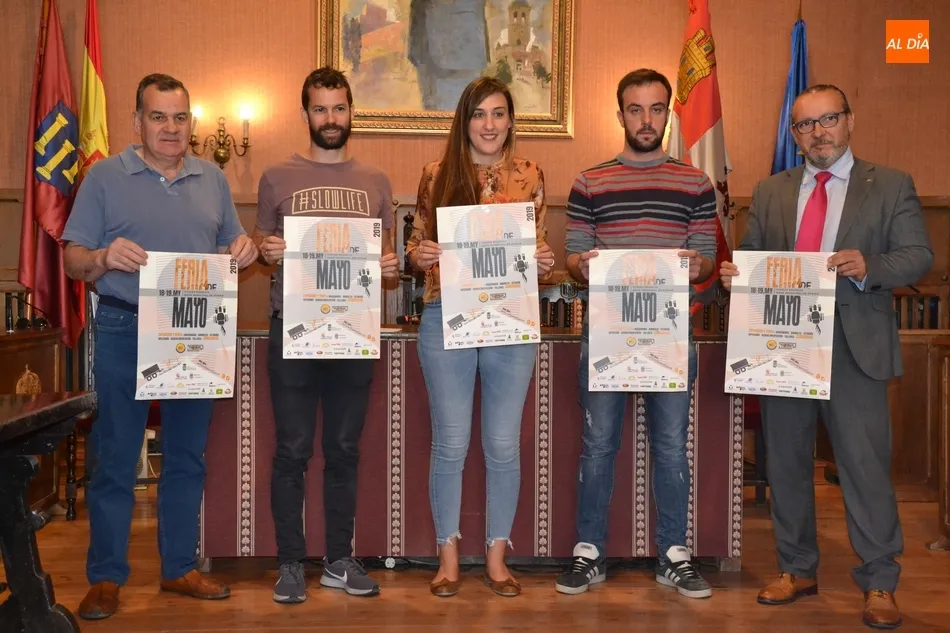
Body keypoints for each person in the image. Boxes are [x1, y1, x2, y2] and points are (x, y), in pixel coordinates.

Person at [719, 84, 932, 630]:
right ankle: (797, 568)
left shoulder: (889, 184)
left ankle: (880, 579)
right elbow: (756, 257)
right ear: (794, 134)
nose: (817, 132)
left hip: (854, 345)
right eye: (805, 124)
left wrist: (871, 265)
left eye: (827, 119)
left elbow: (918, 256)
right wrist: (735, 273)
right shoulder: (770, 190)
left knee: (863, 468)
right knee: (786, 462)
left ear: (849, 121)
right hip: (783, 345)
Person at [62, 73, 258, 620]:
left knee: (186, 458)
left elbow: (231, 244)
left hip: (196, 332)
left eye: (179, 118)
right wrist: (102, 258)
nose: (170, 129)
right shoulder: (103, 178)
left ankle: (178, 568)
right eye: (158, 117)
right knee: (116, 457)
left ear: (191, 123)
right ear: (137, 122)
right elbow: (72, 259)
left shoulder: (213, 178)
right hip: (126, 328)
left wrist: (243, 250)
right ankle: (105, 578)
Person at [555, 69, 717, 599]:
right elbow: (574, 257)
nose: (645, 120)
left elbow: (707, 259)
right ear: (619, 113)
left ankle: (674, 554)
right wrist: (585, 265)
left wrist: (693, 265)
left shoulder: (696, 183)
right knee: (598, 445)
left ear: (668, 112)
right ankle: (589, 552)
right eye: (634, 109)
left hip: (670, 339)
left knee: (671, 447)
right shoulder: (589, 181)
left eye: (655, 109)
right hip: (606, 338)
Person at [252, 67, 399, 603]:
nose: (330, 118)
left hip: (352, 334)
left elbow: (388, 265)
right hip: (291, 331)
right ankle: (290, 562)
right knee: (291, 450)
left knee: (343, 449)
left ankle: (339, 558)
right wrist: (267, 249)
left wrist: (389, 266)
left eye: (339, 108)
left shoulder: (377, 182)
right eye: (320, 109)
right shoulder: (275, 176)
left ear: (351, 111)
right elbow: (262, 243)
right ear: (305, 114)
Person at [406, 76, 555, 598]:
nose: (489, 124)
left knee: (502, 445)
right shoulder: (436, 174)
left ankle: (495, 556)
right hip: (446, 315)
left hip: (511, 321)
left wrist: (545, 261)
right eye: (479, 114)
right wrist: (419, 254)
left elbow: (538, 252)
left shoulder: (531, 175)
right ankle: (448, 557)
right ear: (464, 120)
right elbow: (415, 243)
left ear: (511, 120)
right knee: (450, 443)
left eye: (498, 113)